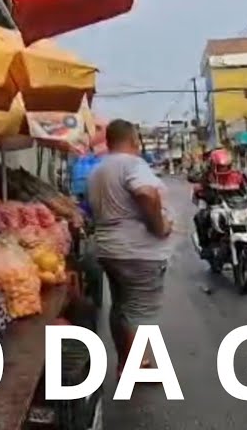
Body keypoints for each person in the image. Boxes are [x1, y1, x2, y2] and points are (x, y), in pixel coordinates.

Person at [87, 119, 173, 375]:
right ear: (134, 139)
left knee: (121, 306)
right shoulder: (133, 164)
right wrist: (160, 226)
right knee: (140, 312)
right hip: (137, 252)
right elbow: (146, 193)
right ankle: (135, 368)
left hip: (108, 249)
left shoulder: (98, 170)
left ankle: (126, 363)